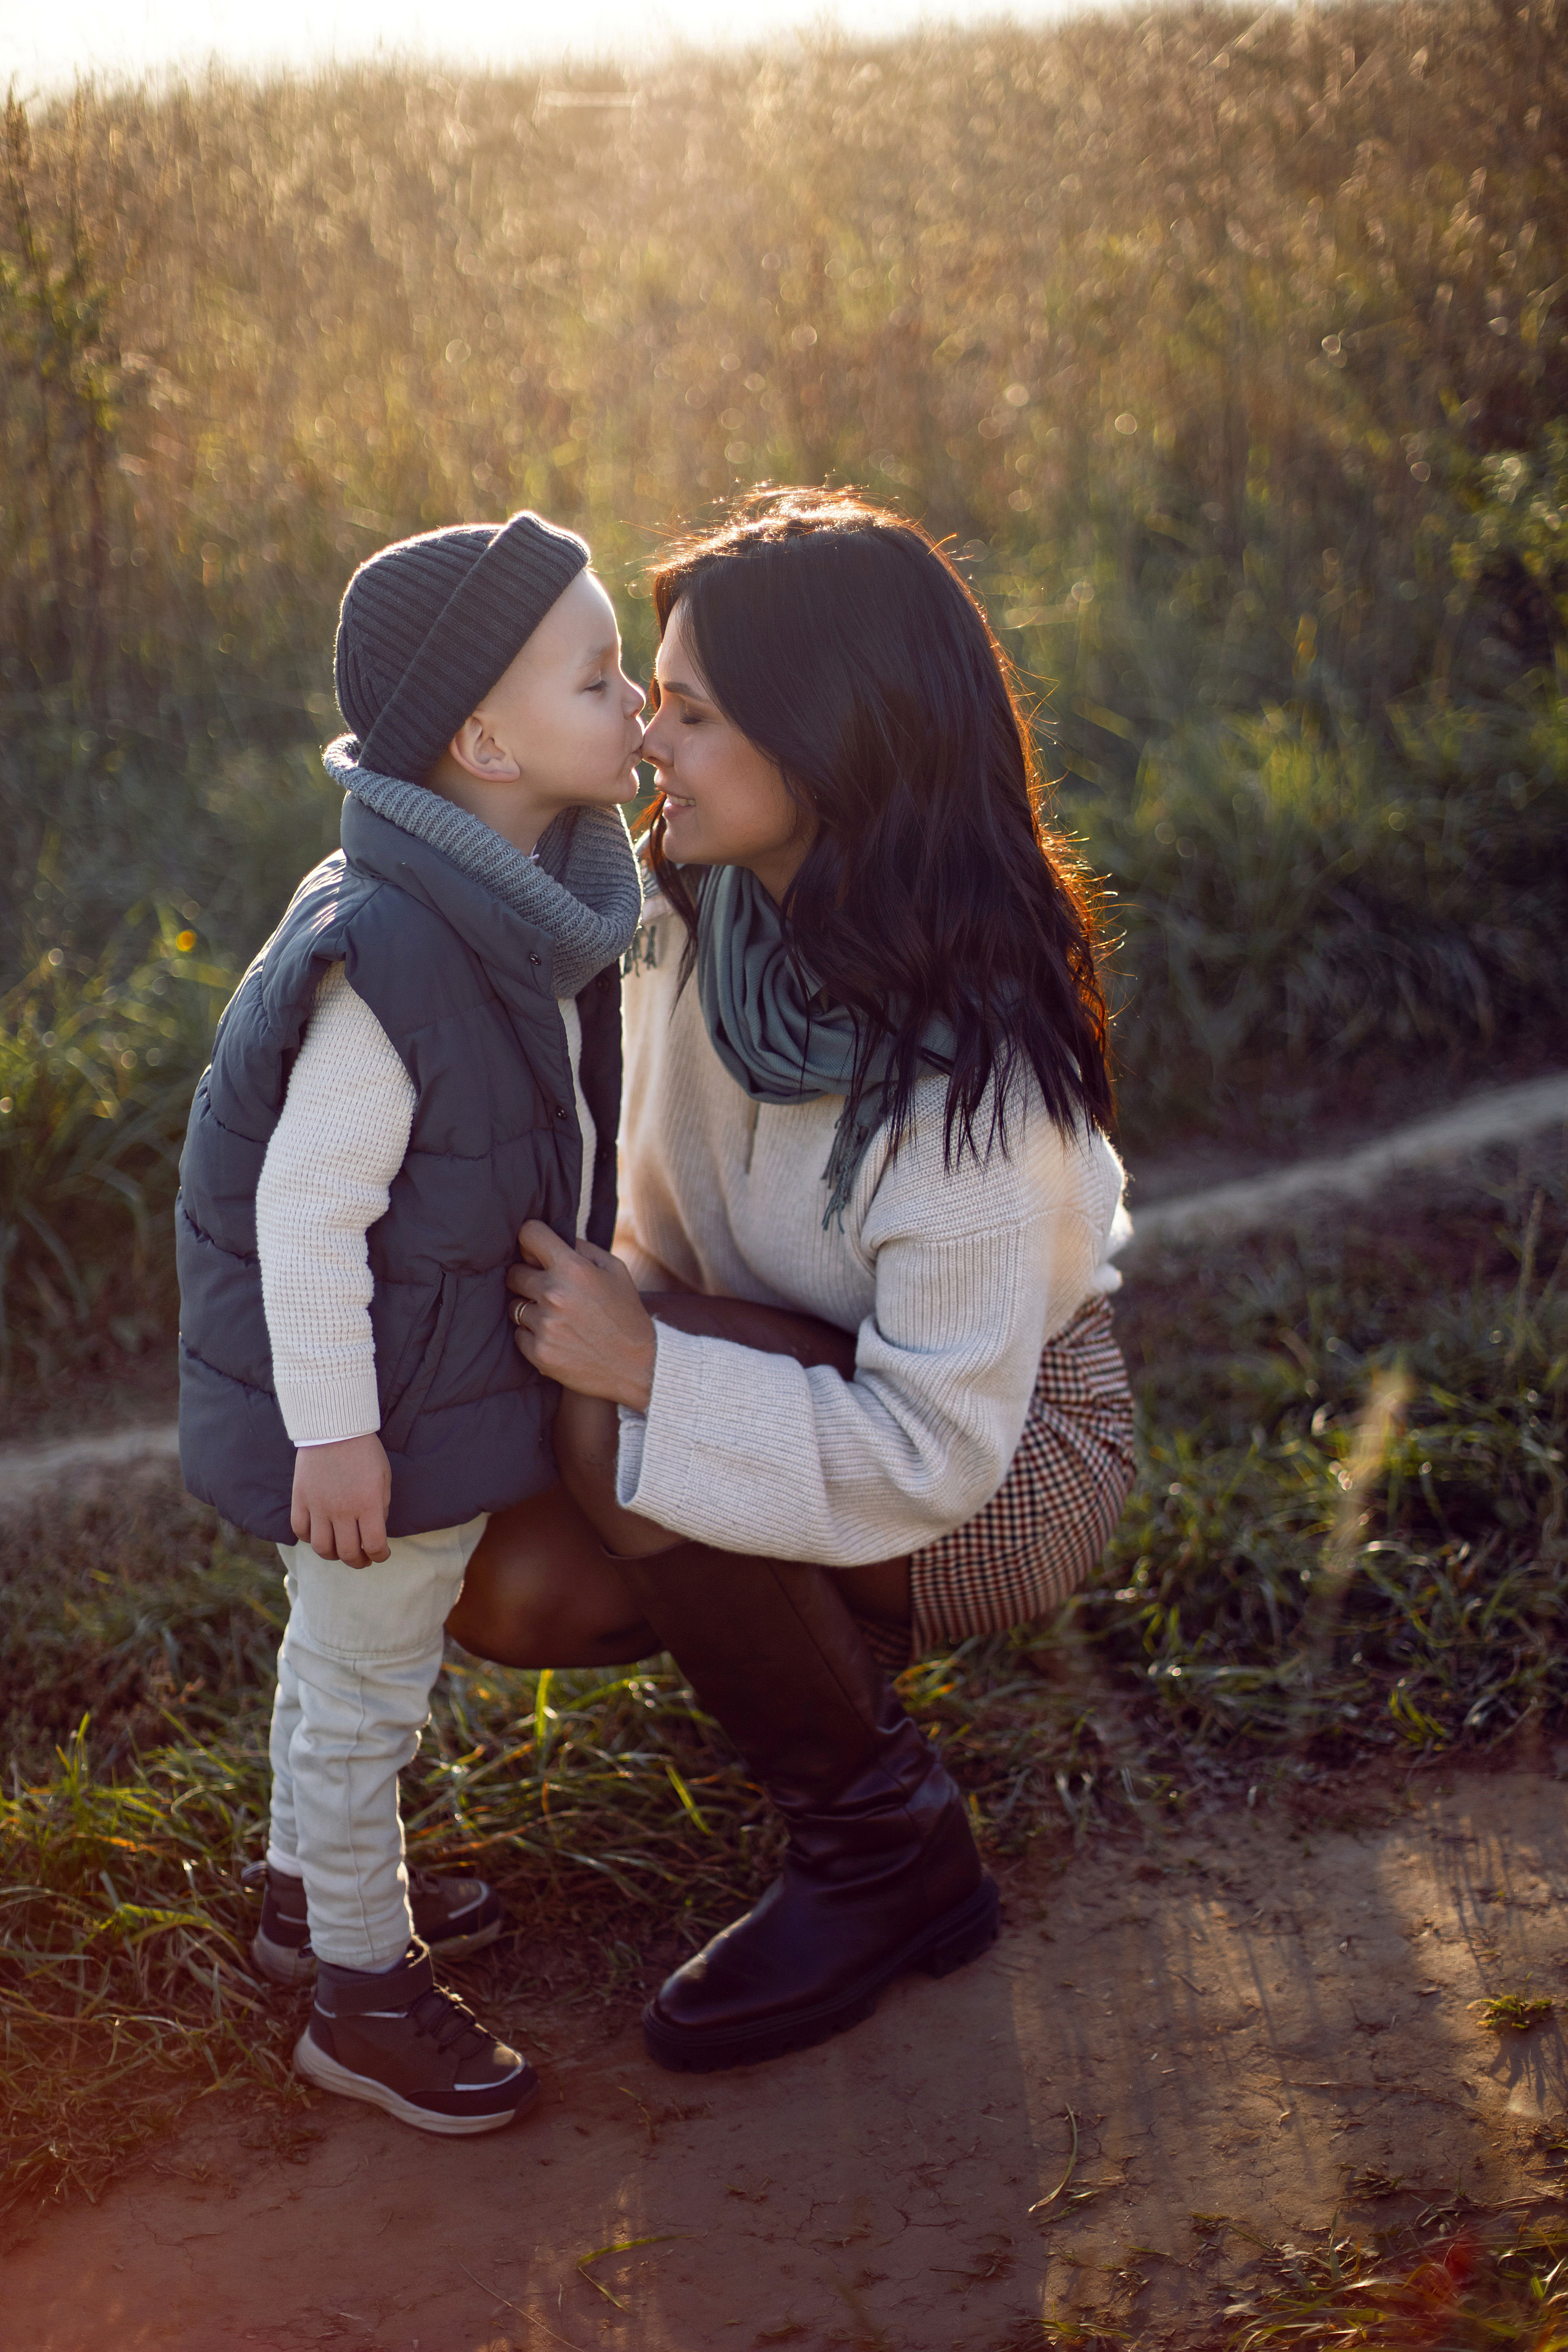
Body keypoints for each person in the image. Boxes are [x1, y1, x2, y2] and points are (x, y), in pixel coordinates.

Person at [448, 488, 1136, 2076]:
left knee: (618, 1428)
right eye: (650, 703)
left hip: (1005, 1457)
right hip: (781, 1361)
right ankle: (811, 1638)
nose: (646, 746)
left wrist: (654, 1379)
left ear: (822, 739)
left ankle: (885, 1851)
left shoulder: (977, 1073)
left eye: (688, 713)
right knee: (517, 1585)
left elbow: (932, 1453)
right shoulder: (700, 911)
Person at [175, 511, 647, 2133]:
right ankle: (361, 1998)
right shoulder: (391, 961)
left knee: (343, 1664)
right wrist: (341, 1435)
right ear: (485, 740)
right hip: (379, 1406)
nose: (639, 697)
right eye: (602, 678)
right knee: (368, 1689)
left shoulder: (489, 903)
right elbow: (305, 1213)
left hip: (420, 1378)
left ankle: (311, 1899)